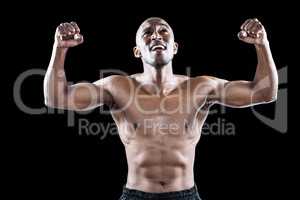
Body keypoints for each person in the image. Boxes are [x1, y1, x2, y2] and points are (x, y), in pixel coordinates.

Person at [44, 17, 278, 200]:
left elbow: (264, 93)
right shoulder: (117, 87)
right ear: (137, 51)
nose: (156, 35)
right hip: (135, 195)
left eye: (164, 30)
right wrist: (60, 49)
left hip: (185, 195)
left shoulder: (201, 87)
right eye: (147, 32)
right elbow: (55, 98)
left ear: (174, 47)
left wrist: (262, 44)